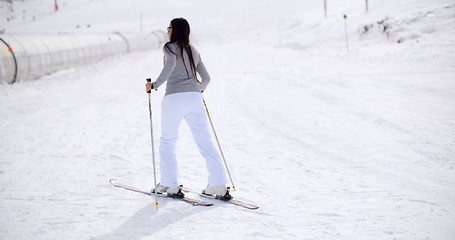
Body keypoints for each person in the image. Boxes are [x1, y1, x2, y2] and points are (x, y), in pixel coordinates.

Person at [146, 18, 230, 199]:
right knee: (205, 141)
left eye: (169, 28)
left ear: (174, 30)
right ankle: (218, 184)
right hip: (194, 99)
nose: (167, 31)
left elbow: (170, 66)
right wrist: (197, 89)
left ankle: (169, 184)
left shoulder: (169, 48)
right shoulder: (193, 50)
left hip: (174, 98)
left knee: (168, 141)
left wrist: (155, 85)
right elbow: (206, 78)